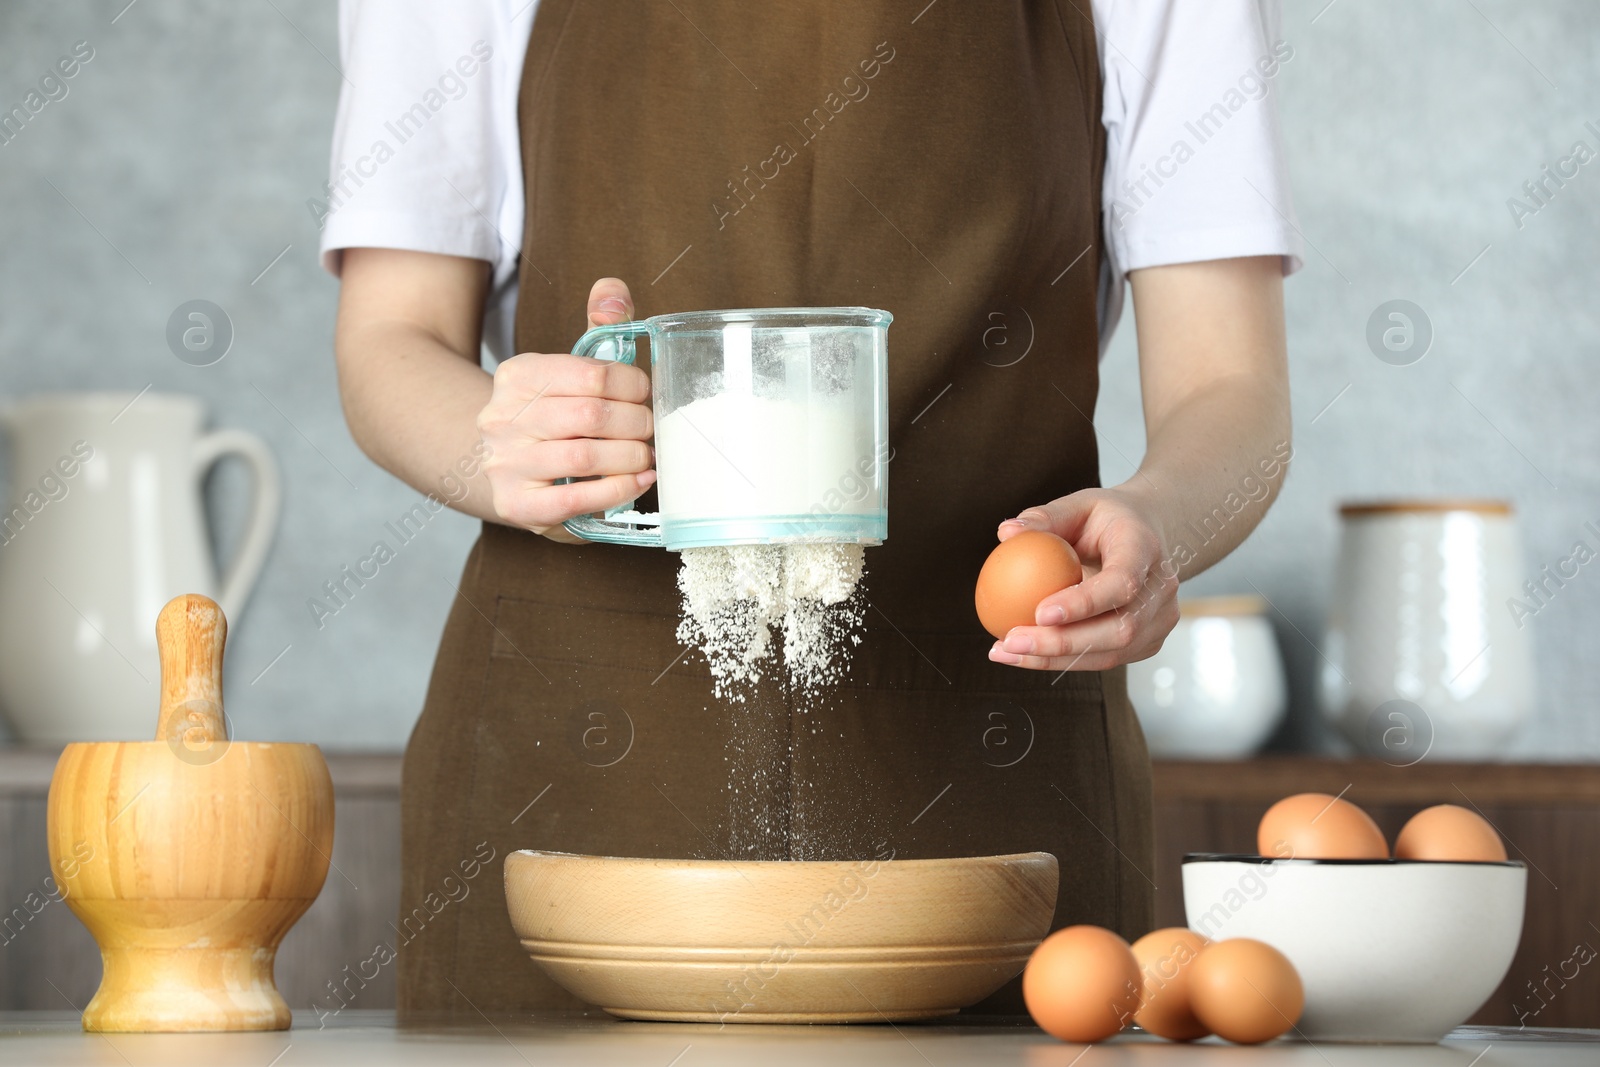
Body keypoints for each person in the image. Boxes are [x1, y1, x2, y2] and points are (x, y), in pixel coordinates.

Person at [323, 0, 1300, 1019]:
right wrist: (503, 442)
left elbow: (1229, 386)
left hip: (988, 759)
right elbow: (389, 338)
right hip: (576, 752)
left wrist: (1156, 519)